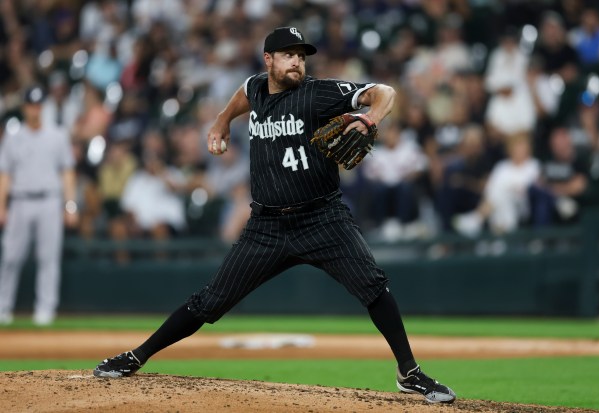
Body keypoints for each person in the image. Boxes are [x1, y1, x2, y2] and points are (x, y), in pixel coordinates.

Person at [92, 27, 456, 404]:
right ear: (269, 60)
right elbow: (242, 94)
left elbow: (385, 92)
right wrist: (221, 120)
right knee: (208, 302)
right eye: (288, 54)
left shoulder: (318, 94)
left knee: (375, 288)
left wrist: (370, 118)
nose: (297, 60)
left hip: (322, 219)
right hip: (265, 226)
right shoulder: (256, 89)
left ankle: (408, 372)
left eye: (301, 55)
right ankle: (137, 356)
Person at [0, 85, 78, 326]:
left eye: (38, 105)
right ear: (24, 107)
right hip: (21, 201)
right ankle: (3, 306)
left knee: (49, 258)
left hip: (49, 201)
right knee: (11, 256)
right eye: (31, 105)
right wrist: (1, 206)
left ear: (43, 107)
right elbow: (5, 175)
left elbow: (67, 172)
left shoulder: (57, 135)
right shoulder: (13, 137)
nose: (34, 110)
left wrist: (70, 205)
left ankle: (45, 309)